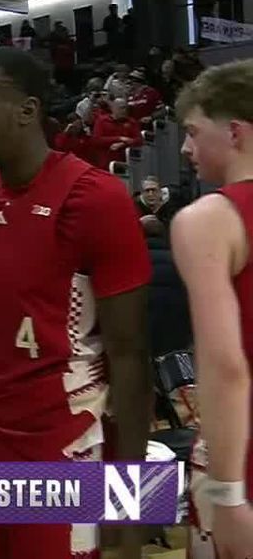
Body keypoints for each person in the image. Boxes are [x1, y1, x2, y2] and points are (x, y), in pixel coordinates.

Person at [0, 48, 151, 559]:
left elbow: (131, 358)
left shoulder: (95, 198)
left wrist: (131, 510)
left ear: (27, 111)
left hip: (62, 448)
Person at [169, 60, 253, 559]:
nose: (185, 149)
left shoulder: (207, 219)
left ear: (236, 132)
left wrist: (227, 493)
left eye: (194, 133)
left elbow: (226, 366)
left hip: (241, 451)